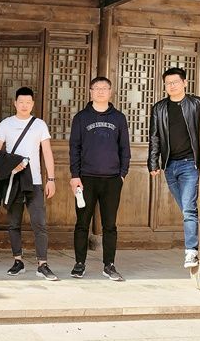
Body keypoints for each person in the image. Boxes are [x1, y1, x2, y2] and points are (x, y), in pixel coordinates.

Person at [149, 67, 200, 268]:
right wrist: (153, 162)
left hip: (189, 164)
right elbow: (154, 137)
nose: (171, 86)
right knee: (189, 209)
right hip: (169, 166)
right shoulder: (159, 108)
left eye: (175, 82)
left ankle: (191, 251)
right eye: (168, 83)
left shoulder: (197, 104)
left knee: (188, 210)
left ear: (185, 83)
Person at [0, 86, 58, 280]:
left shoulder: (39, 125)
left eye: (28, 102)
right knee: (14, 223)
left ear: (32, 104)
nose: (24, 105)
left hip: (35, 181)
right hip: (14, 180)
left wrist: (51, 179)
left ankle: (42, 264)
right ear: (15, 103)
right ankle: (18, 261)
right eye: (21, 102)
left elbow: (47, 152)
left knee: (39, 223)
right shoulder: (6, 124)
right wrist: (13, 163)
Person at [69, 77, 131, 281]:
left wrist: (122, 174)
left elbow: (124, 148)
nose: (101, 91)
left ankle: (109, 265)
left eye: (105, 88)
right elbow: (74, 148)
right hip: (86, 178)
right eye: (97, 88)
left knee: (110, 224)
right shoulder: (81, 117)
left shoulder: (119, 118)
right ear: (90, 91)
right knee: (82, 223)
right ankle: (79, 263)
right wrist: (75, 176)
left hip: (112, 179)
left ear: (110, 92)